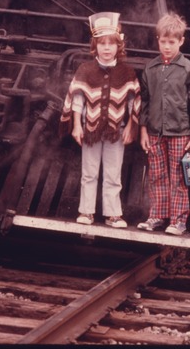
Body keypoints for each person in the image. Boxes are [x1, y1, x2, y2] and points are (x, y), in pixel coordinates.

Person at [60, 12, 141, 228]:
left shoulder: (127, 72)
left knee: (113, 173)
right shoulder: (85, 70)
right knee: (89, 172)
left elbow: (134, 103)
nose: (107, 48)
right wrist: (77, 125)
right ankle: (86, 212)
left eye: (111, 44)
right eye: (102, 43)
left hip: (116, 129)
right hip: (91, 130)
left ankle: (113, 214)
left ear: (119, 46)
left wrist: (131, 127)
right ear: (94, 46)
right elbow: (78, 100)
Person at [137, 12, 190, 236]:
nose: (167, 46)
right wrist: (143, 130)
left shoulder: (188, 69)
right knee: (156, 174)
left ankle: (178, 220)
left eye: (172, 42)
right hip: (155, 131)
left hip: (180, 132)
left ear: (181, 41)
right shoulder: (150, 69)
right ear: (158, 40)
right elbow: (144, 102)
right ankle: (157, 215)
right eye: (163, 42)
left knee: (178, 177)